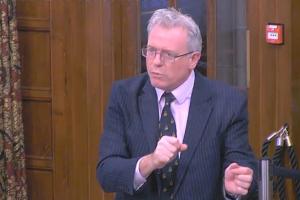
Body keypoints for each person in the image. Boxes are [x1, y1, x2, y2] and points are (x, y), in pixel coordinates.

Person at [97, 8, 257, 200]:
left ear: (193, 59)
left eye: (168, 55)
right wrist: (151, 161)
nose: (155, 62)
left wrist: (232, 189)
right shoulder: (124, 95)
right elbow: (106, 174)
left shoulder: (228, 102)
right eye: (151, 51)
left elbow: (243, 173)